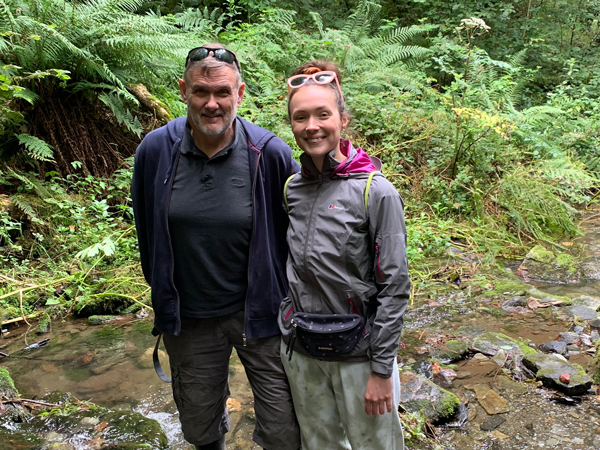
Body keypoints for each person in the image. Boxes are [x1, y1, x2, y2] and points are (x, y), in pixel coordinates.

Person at [131, 43, 301, 450]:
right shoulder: (155, 150)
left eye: (223, 92)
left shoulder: (269, 153)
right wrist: (164, 296)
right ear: (183, 90)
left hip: (260, 314)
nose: (212, 103)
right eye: (200, 92)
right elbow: (147, 234)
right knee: (200, 428)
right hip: (189, 319)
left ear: (239, 93)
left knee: (285, 427)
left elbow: (298, 232)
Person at [278, 61, 410, 449]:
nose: (312, 126)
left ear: (343, 119)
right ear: (292, 124)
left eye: (323, 114)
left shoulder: (375, 192)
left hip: (360, 356)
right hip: (303, 350)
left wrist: (382, 369)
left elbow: (395, 285)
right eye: (300, 117)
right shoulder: (292, 189)